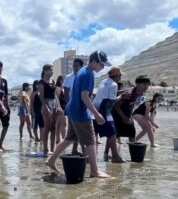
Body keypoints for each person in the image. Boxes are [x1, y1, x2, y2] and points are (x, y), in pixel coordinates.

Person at [46, 51, 111, 179]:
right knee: (91, 141)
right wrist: (96, 113)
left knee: (69, 138)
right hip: (80, 112)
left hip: (72, 110)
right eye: (102, 64)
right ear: (94, 62)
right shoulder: (88, 74)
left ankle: (51, 160)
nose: (103, 67)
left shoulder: (82, 71)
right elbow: (84, 96)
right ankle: (95, 171)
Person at [95, 66, 124, 163]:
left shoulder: (103, 81)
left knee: (96, 132)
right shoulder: (114, 85)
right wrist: (121, 96)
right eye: (120, 76)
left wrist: (119, 93)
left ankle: (104, 154)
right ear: (118, 76)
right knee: (112, 133)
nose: (120, 78)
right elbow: (112, 102)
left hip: (95, 108)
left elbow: (105, 93)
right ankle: (115, 156)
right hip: (104, 109)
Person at [112, 76, 151, 142]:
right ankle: (111, 148)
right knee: (115, 135)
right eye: (144, 84)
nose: (146, 86)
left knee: (132, 133)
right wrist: (123, 117)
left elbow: (133, 103)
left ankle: (132, 147)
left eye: (148, 84)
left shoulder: (141, 92)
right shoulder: (129, 94)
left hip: (127, 114)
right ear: (137, 84)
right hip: (117, 114)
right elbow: (116, 106)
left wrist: (130, 115)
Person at [36, 65, 58, 155]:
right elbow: (41, 96)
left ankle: (52, 148)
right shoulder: (41, 82)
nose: (52, 72)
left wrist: (58, 106)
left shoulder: (53, 81)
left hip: (54, 103)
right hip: (46, 103)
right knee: (47, 127)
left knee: (54, 127)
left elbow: (55, 95)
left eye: (52, 70)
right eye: (50, 70)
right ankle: (45, 149)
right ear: (45, 71)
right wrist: (46, 107)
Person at [55, 75, 67, 143]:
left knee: (58, 124)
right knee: (63, 124)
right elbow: (56, 98)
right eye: (62, 80)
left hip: (62, 107)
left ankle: (58, 139)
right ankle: (63, 139)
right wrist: (59, 107)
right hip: (60, 108)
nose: (64, 81)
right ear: (59, 81)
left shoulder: (62, 88)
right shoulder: (58, 88)